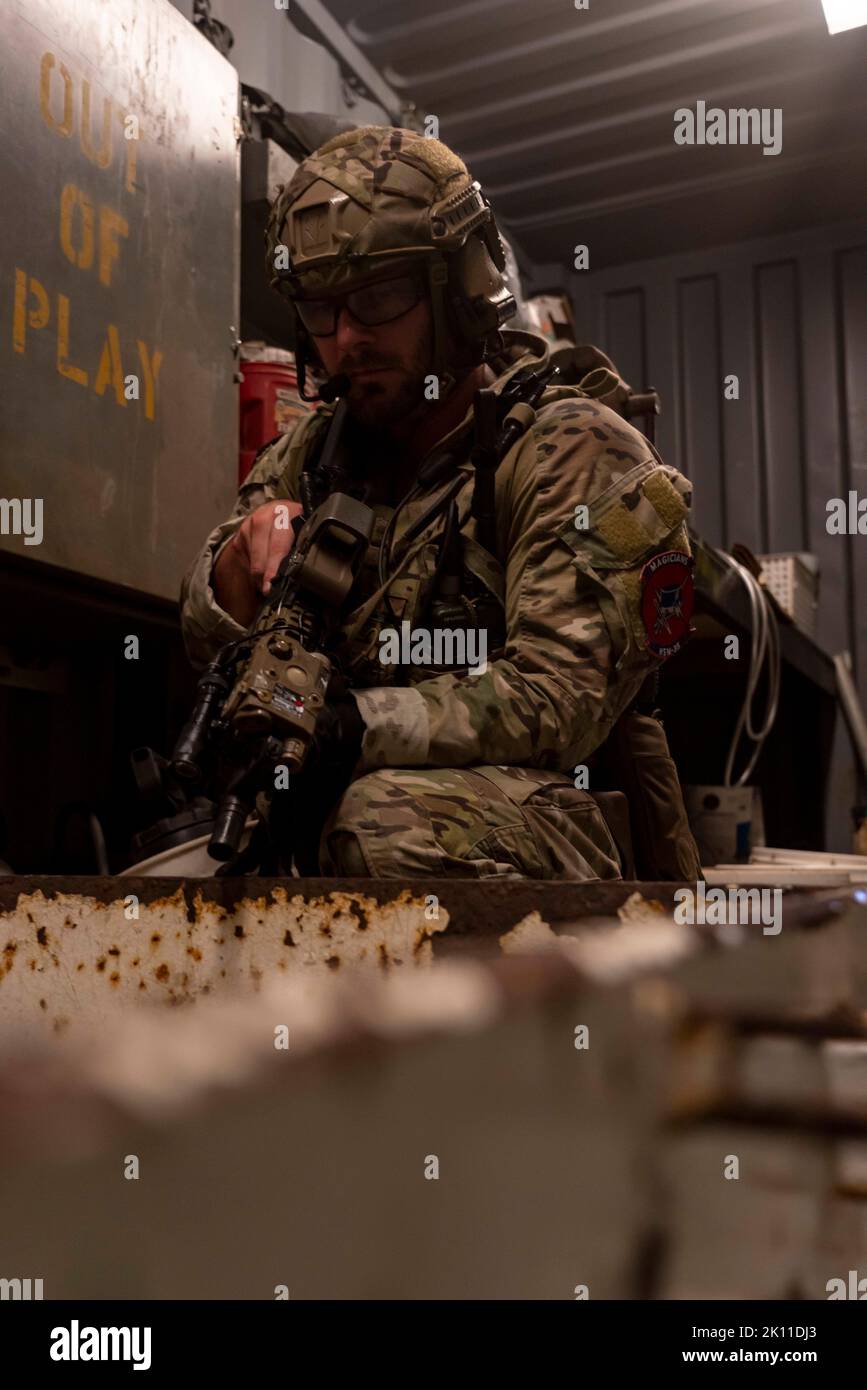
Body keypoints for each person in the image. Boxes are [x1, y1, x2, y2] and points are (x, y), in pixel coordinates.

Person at [180, 125, 698, 880]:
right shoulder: (313, 452)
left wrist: (352, 726)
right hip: (343, 805)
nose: (348, 338)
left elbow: (558, 698)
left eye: (380, 296)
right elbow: (202, 633)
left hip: (562, 836)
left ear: (458, 289)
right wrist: (234, 569)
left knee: (382, 822)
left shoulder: (570, 448)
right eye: (322, 310)